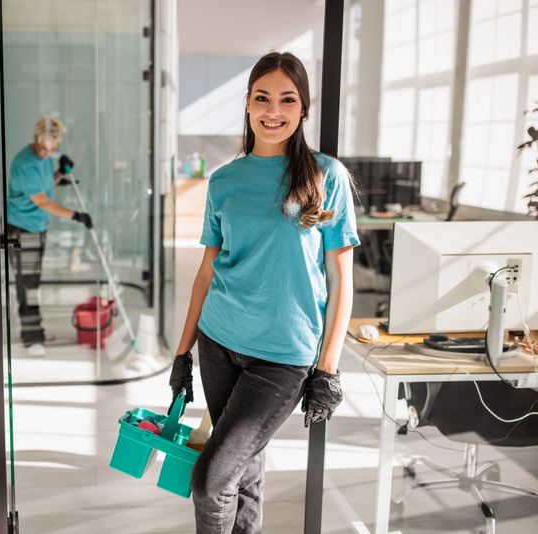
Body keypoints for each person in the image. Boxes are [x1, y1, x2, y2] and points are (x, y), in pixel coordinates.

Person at [168, 52, 359, 533]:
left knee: (211, 479)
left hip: (282, 356)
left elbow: (340, 280)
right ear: (248, 104)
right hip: (218, 341)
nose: (273, 111)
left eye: (287, 100)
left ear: (303, 109)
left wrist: (328, 369)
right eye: (262, 98)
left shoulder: (325, 176)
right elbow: (207, 272)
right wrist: (182, 352)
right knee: (243, 474)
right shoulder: (224, 181)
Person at [7, 117, 92, 356]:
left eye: (53, 149)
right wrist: (75, 215)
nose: (48, 153)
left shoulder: (43, 159)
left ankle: (36, 331)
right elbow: (42, 200)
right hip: (23, 229)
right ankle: (31, 337)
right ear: (35, 140)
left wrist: (60, 172)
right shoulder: (25, 163)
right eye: (44, 148)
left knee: (33, 281)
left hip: (37, 227)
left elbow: (45, 185)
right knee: (27, 284)